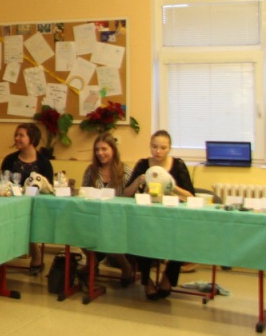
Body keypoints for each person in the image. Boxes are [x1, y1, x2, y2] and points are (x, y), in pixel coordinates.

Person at [126, 129, 195, 300]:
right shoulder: (143, 165)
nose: (158, 151)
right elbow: (125, 194)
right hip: (147, 218)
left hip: (174, 218)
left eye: (163, 148)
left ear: (169, 148)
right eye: (154, 147)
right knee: (139, 238)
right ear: (149, 146)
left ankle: (168, 278)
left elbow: (191, 196)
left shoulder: (178, 165)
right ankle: (146, 281)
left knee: (183, 240)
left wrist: (172, 186)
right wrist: (138, 181)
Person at [79, 133, 134, 286]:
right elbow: (84, 192)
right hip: (94, 215)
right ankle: (92, 262)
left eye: (104, 149)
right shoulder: (91, 170)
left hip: (117, 218)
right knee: (77, 227)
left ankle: (125, 267)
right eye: (97, 150)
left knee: (108, 233)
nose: (100, 153)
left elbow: (130, 198)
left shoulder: (125, 172)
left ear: (113, 150)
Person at [1, 123, 52, 273]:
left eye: (21, 135)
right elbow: (3, 183)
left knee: (28, 220)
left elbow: (48, 187)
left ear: (32, 139)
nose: (17, 138)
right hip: (12, 204)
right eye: (16, 135)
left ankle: (36, 253)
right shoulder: (9, 160)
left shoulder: (43, 162)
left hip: (37, 206)